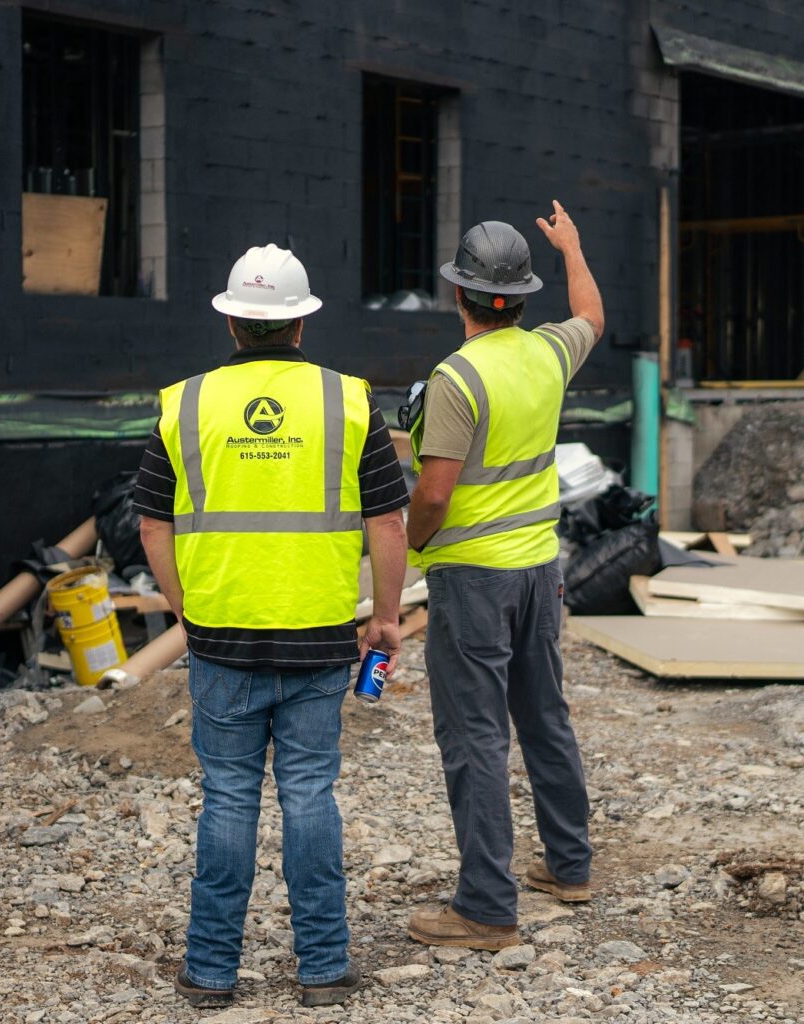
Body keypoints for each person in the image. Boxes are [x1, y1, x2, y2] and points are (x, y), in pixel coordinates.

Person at [134, 243, 409, 1007]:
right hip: (320, 634)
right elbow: (386, 522)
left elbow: (152, 523)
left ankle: (211, 973)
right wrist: (384, 617)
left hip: (221, 634)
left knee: (226, 795)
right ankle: (322, 970)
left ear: (230, 320)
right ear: (299, 324)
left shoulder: (182, 403)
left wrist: (187, 605)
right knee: (310, 793)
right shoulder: (349, 401)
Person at [404, 204, 604, 950]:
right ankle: (569, 865)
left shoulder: (456, 378)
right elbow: (589, 312)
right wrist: (572, 249)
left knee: (475, 736)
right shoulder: (549, 354)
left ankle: (486, 908)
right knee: (543, 714)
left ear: (459, 294)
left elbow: (432, 492)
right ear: (520, 297)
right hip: (535, 569)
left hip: (474, 578)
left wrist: (412, 545)